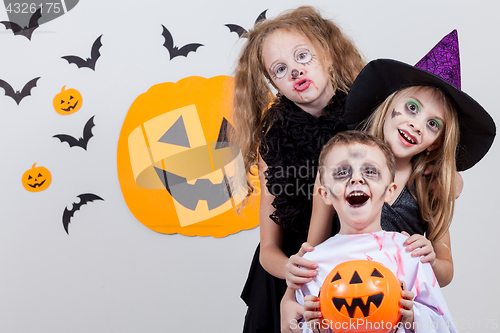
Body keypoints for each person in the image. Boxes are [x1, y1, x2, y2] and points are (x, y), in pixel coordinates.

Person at [284, 30, 496, 291]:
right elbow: (314, 253)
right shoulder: (339, 171)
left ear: (437, 143)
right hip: (344, 300)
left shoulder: (430, 188)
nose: (416, 125)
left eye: (432, 124)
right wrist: (290, 297)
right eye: (412, 108)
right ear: (388, 105)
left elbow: (446, 273)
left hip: (403, 310)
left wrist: (430, 257)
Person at [229, 6, 365, 333]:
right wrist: (289, 268)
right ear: (274, 83)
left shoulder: (370, 118)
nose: (294, 71)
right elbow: (269, 248)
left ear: (328, 55)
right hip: (290, 279)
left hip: (357, 273)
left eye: (302, 56)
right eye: (280, 69)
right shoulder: (272, 140)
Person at [287, 130, 458, 333]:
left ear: (389, 191)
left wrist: (414, 317)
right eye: (342, 172)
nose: (356, 179)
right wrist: (312, 328)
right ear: (325, 194)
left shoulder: (409, 253)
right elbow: (296, 325)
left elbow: (444, 326)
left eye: (370, 171)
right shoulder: (313, 264)